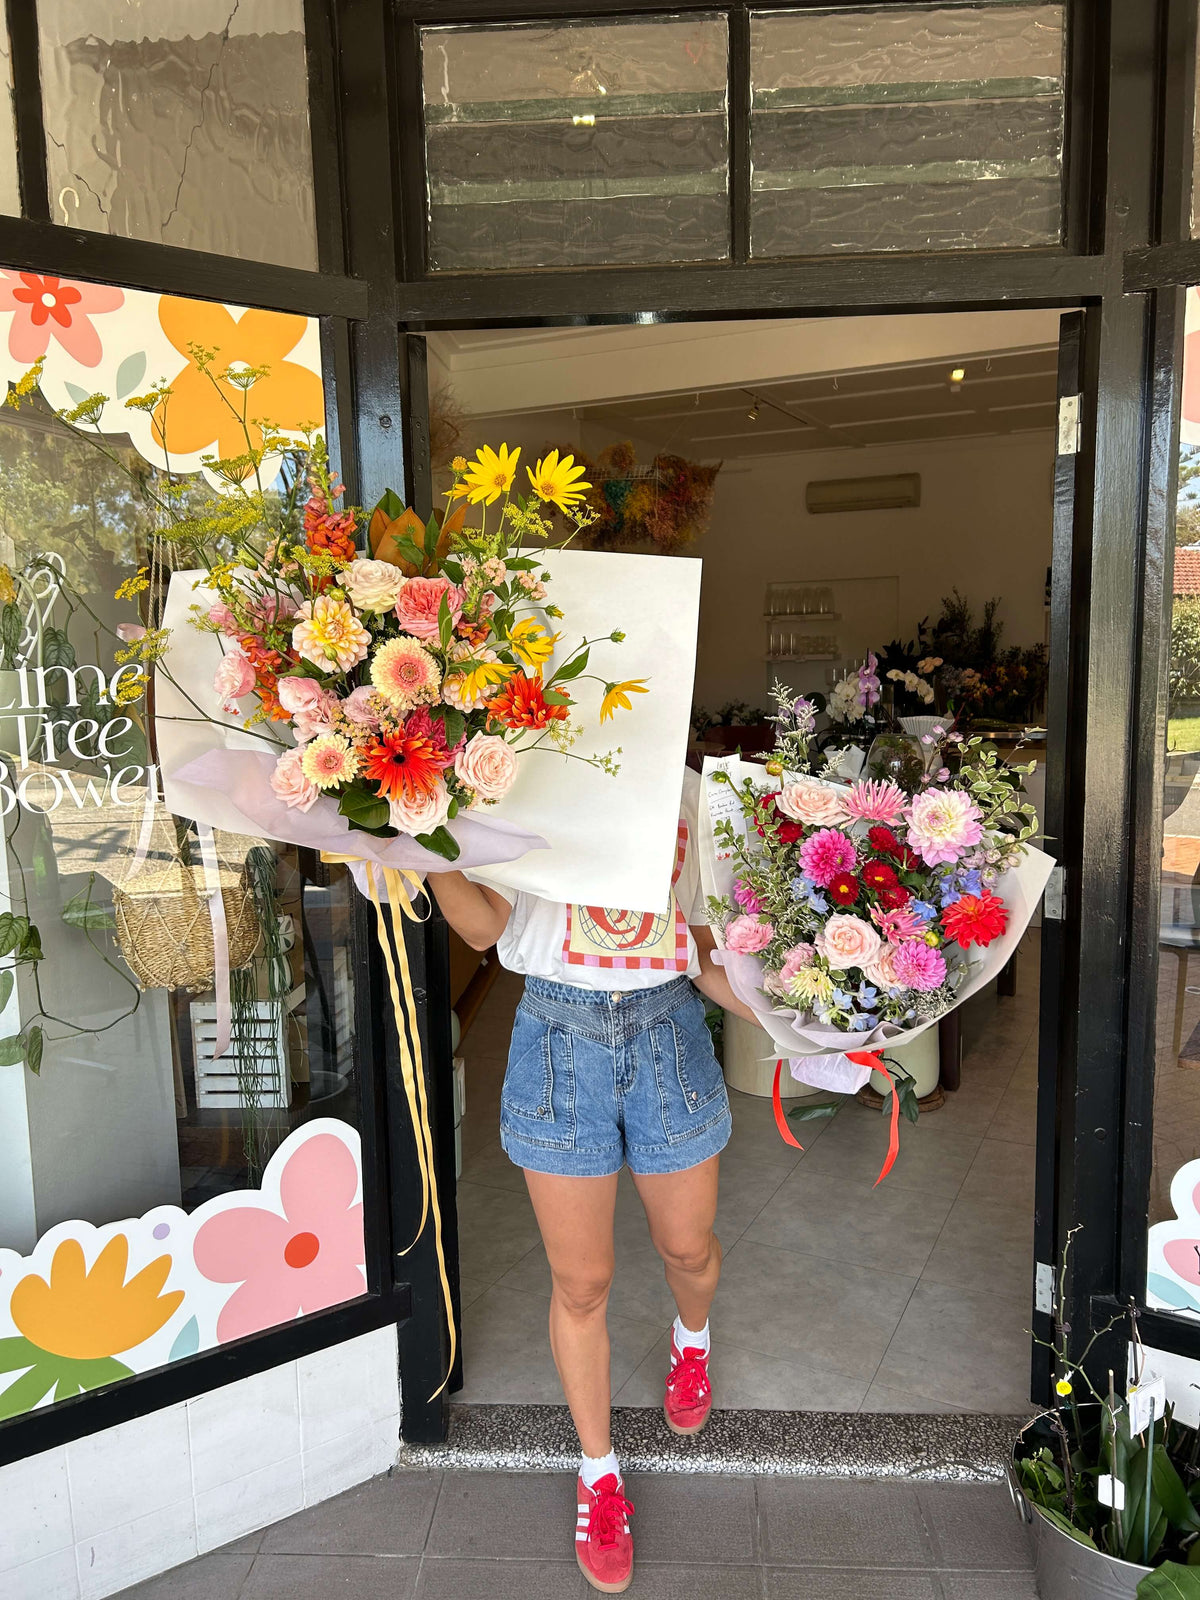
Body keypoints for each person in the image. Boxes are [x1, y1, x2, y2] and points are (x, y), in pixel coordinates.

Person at [427, 768, 758, 1595]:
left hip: (667, 1028)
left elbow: (704, 951)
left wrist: (809, 1022)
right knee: (581, 1284)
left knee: (688, 1250)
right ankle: (599, 1473)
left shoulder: (691, 794)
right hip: (557, 1034)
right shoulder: (519, 775)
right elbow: (486, 927)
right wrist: (415, 837)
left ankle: (691, 1340)